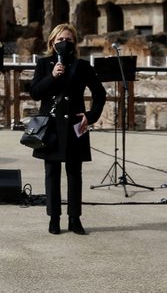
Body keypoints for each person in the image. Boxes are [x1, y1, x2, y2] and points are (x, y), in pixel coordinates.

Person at [30, 23, 107, 235]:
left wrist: (90, 116)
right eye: (60, 40)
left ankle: (75, 219)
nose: (64, 43)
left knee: (75, 173)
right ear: (52, 43)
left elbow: (100, 94)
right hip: (51, 126)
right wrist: (52, 76)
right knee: (52, 173)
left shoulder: (82, 66)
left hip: (75, 125)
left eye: (69, 40)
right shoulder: (44, 64)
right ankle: (54, 218)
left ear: (74, 43)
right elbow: (35, 92)